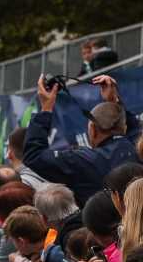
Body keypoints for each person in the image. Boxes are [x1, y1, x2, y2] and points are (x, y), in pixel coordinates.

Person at [23, 74, 141, 205]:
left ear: (92, 129)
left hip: (102, 224)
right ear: (123, 128)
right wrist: (114, 101)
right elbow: (135, 130)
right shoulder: (137, 147)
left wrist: (46, 108)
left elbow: (34, 155)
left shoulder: (82, 160)